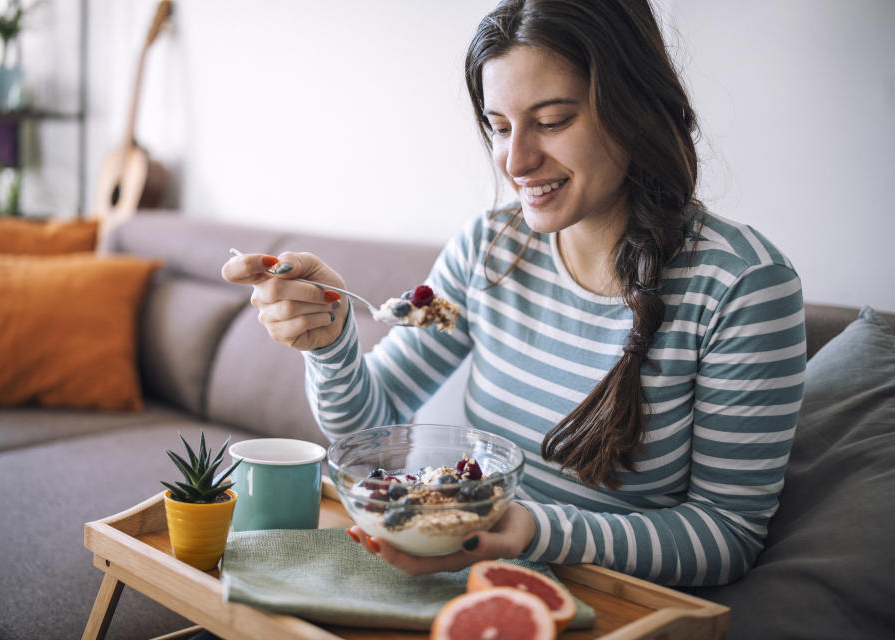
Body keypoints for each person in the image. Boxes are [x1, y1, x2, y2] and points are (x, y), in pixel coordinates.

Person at [222, 0, 805, 587]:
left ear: (636, 110)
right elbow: (369, 429)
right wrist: (331, 344)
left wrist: (535, 528)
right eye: (499, 127)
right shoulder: (486, 249)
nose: (517, 160)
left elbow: (728, 532)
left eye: (551, 121)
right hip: (478, 580)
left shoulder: (743, 287)